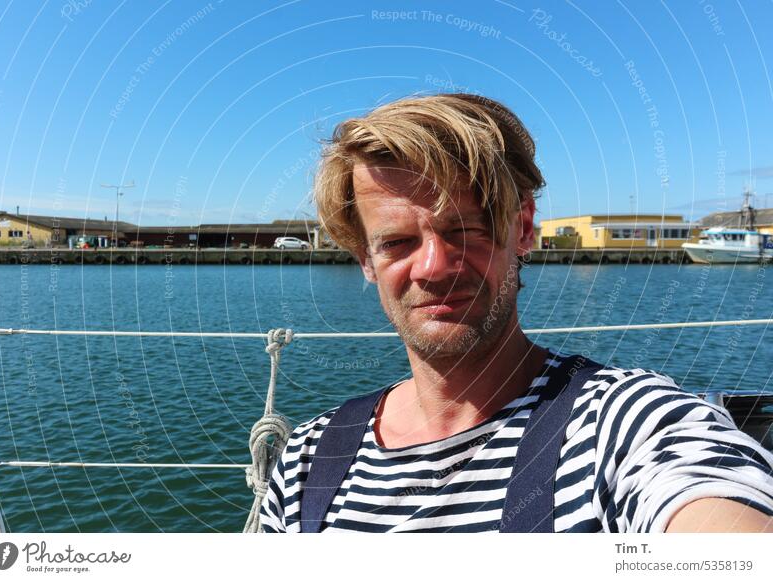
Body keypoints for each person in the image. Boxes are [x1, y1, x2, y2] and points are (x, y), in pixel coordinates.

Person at [259, 93, 773, 533]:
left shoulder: (624, 425)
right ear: (366, 260)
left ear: (523, 228)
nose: (436, 267)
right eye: (397, 242)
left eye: (466, 230)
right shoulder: (308, 462)